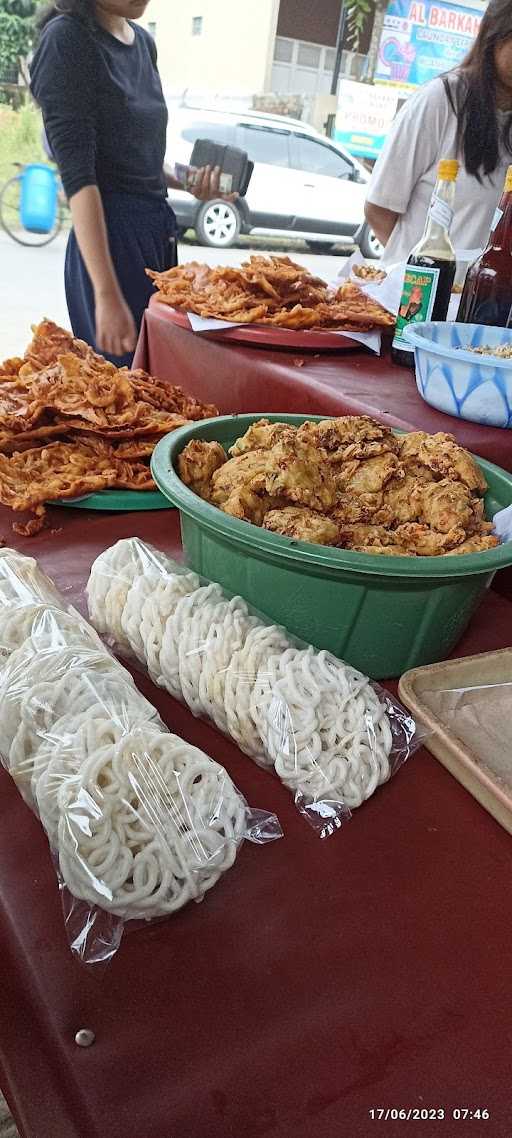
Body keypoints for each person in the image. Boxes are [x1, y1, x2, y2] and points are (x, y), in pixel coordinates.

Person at [31, 0, 231, 365]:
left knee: (162, 381)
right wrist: (105, 294)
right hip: (109, 241)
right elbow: (79, 176)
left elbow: (137, 155)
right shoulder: (66, 40)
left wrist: (189, 180)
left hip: (157, 235)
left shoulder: (142, 42)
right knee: (126, 396)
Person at [364, 0, 512, 266]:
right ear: (494, 34)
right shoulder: (441, 100)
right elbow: (379, 208)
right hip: (412, 299)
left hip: (483, 303)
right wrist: (423, 274)